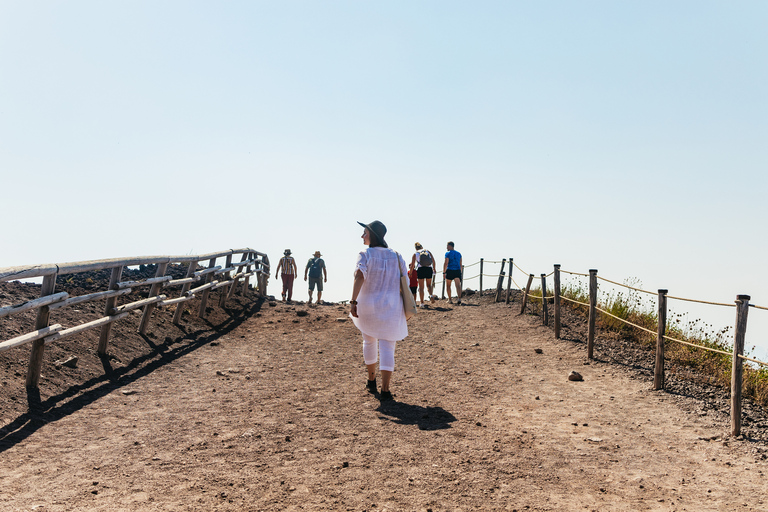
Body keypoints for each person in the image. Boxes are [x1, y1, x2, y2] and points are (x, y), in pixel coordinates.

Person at [350, 220, 408, 401]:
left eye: (365, 233)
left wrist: (353, 301)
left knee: (369, 341)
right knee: (388, 346)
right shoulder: (397, 256)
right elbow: (404, 281)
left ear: (372, 235)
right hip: (392, 305)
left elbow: (360, 275)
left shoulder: (365, 254)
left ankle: (371, 381)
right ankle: (386, 389)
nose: (362, 236)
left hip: (368, 305)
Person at [410, 242, 437, 308]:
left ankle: (422, 303)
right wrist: (434, 268)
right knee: (429, 285)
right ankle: (431, 295)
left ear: (416, 248)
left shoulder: (415, 254)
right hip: (429, 268)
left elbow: (412, 265)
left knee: (421, 287)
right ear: (421, 247)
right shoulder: (427, 251)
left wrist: (410, 273)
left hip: (421, 269)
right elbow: (433, 261)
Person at [443, 241, 463, 305]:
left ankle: (450, 299)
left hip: (450, 270)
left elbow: (446, 263)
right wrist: (461, 272)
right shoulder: (459, 254)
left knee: (448, 285)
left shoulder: (448, 253)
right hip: (457, 270)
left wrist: (444, 272)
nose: (446, 247)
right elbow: (460, 264)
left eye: (447, 246)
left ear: (450, 246)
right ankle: (459, 298)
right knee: (458, 285)